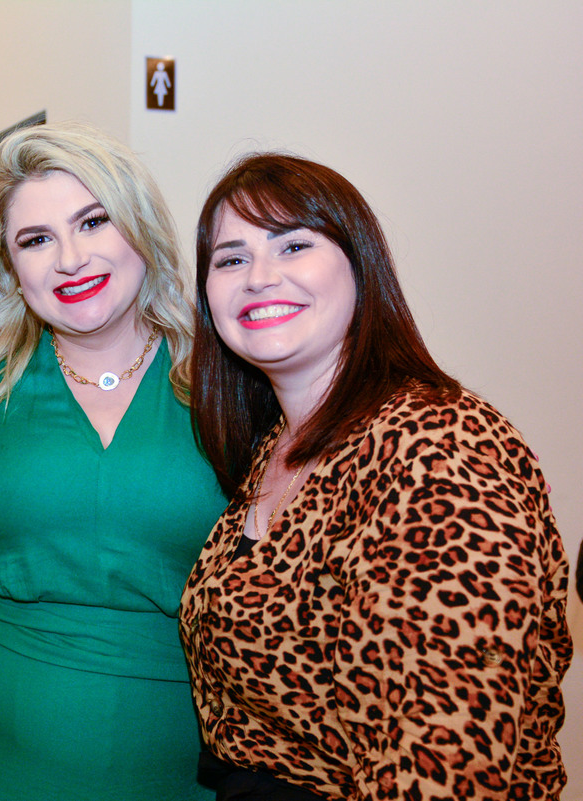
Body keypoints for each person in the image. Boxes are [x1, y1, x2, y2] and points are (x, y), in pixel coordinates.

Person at [179, 153, 571, 800]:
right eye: (231, 258)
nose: (259, 277)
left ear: (360, 266)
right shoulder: (276, 444)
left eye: (294, 244)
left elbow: (446, 763)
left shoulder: (440, 447)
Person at [0, 122, 226, 800]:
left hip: (179, 763)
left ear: (140, 226)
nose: (70, 259)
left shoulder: (228, 381)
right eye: (36, 239)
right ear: (11, 268)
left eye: (93, 221)